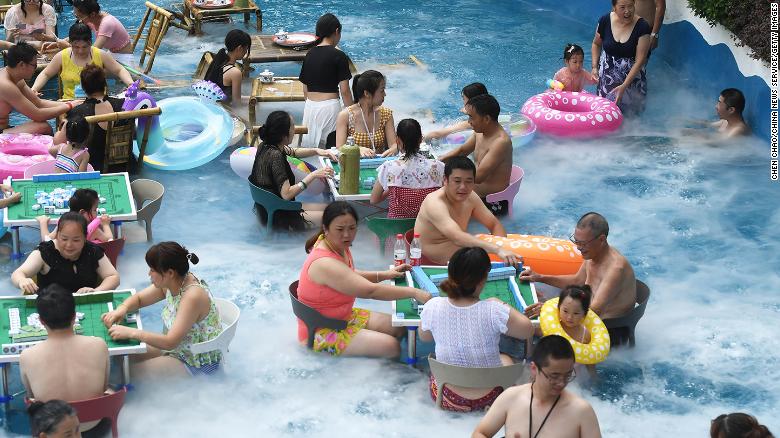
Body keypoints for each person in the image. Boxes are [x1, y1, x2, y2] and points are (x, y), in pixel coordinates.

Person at [297, 201, 431, 358]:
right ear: (326, 229)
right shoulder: (325, 263)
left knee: (399, 328)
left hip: (342, 316)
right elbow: (370, 291)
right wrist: (414, 292)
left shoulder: (335, 243)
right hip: (320, 330)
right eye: (340, 229)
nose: (347, 234)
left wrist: (384, 275)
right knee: (391, 347)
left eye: (352, 228)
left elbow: (348, 275)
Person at [419, 247, 534, 412]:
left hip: (446, 397)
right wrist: (500, 304)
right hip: (491, 400)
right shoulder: (494, 310)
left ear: (450, 275)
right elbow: (528, 330)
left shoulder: (432, 306)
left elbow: (424, 337)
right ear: (483, 279)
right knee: (505, 358)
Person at [103, 242, 223, 377]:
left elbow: (170, 342)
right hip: (177, 348)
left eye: (152, 270)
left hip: (195, 361)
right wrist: (122, 309)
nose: (149, 274)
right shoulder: (175, 281)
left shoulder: (192, 296)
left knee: (126, 375)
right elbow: (139, 299)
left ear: (170, 273)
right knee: (119, 359)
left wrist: (131, 332)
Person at [521, 212, 637, 337]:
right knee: (536, 297)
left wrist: (551, 309)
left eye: (583, 243)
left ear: (601, 239)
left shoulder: (615, 269)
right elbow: (577, 281)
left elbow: (595, 310)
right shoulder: (593, 254)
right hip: (581, 312)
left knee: (528, 329)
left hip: (609, 328)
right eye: (576, 241)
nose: (578, 248)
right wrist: (540, 277)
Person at [471, 335, 602, 438]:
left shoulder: (581, 411)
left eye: (567, 375)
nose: (562, 383)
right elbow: (480, 433)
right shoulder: (511, 398)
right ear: (534, 369)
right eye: (554, 376)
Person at [20, 284, 110, 433]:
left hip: (56, 433)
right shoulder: (99, 345)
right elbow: (104, 387)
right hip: (95, 426)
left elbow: (31, 397)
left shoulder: (28, 356)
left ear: (41, 321)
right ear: (74, 316)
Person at [414, 156, 519, 265]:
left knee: (514, 254)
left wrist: (502, 247)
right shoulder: (435, 203)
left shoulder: (471, 197)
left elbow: (494, 224)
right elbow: (457, 237)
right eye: (457, 181)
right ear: (445, 180)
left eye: (469, 181)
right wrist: (497, 250)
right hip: (431, 261)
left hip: (460, 249)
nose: (463, 187)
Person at [248, 111, 336, 231]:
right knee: (335, 216)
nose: (295, 130)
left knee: (330, 209)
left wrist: (316, 150)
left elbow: (293, 152)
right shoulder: (276, 157)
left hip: (266, 211)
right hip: (281, 218)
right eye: (292, 126)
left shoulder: (265, 146)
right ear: (284, 135)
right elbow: (287, 194)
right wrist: (313, 175)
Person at [11, 212, 120, 294]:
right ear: (57, 235)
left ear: (85, 238)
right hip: (50, 310)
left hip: (86, 305)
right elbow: (17, 274)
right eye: (64, 239)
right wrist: (22, 280)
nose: (69, 245)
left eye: (76, 240)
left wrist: (96, 291)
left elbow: (113, 277)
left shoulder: (92, 251)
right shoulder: (45, 252)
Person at [437, 94, 512, 207]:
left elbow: (479, 177)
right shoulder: (480, 132)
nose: (469, 122)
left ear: (486, 119)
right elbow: (462, 151)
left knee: (436, 200)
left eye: (472, 117)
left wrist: (445, 175)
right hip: (472, 193)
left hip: (492, 202)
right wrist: (438, 161)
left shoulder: (500, 142)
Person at [52, 64, 128, 171]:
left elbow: (59, 142)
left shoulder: (78, 112)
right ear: (105, 84)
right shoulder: (123, 105)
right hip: (122, 165)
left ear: (83, 87)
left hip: (90, 164)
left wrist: (63, 123)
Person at [32, 22, 133, 101]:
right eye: (76, 47)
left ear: (90, 43)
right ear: (70, 43)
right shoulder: (61, 57)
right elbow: (46, 74)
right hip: (71, 103)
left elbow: (119, 70)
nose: (80, 51)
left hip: (98, 103)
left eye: (85, 47)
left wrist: (130, 84)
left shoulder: (100, 55)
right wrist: (34, 89)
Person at [299, 13, 354, 148]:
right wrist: (352, 114)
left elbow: (305, 88)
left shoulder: (309, 54)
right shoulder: (339, 55)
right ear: (336, 31)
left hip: (310, 107)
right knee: (332, 148)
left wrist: (312, 105)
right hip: (329, 107)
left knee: (312, 149)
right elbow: (345, 91)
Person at [370, 118, 444, 218]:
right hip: (427, 227)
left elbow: (374, 200)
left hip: (396, 228)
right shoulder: (438, 166)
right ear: (420, 140)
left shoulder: (389, 167)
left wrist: (391, 189)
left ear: (397, 141)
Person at [591, 0, 651, 114]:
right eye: (622, 7)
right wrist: (594, 67)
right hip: (607, 79)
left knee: (630, 116)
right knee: (604, 114)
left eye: (630, 6)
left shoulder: (642, 27)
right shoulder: (605, 20)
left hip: (632, 80)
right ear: (614, 7)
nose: (627, 11)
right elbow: (596, 44)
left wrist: (624, 86)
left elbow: (640, 61)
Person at [0, 42, 72, 134]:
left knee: (43, 124)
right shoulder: (5, 85)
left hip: (5, 128)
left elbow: (39, 103)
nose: (36, 69)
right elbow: (37, 115)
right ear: (22, 64)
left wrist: (71, 103)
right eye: (34, 65)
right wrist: (69, 106)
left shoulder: (16, 78)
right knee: (42, 127)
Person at [335, 70, 397, 157]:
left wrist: (395, 148)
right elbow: (340, 147)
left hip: (379, 163)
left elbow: (393, 144)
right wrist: (358, 149)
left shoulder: (386, 114)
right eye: (382, 90)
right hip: (354, 164)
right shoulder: (346, 116)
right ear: (367, 93)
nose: (385, 94)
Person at [38, 188, 113, 243]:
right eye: (94, 210)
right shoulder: (94, 231)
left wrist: (43, 223)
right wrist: (105, 225)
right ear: (82, 212)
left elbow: (47, 240)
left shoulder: (63, 224)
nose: (96, 213)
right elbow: (109, 240)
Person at [204, 29, 250, 106]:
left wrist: (254, 99)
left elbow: (233, 98)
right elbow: (236, 104)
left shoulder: (219, 62)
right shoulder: (235, 72)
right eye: (246, 49)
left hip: (212, 108)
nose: (246, 52)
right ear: (239, 48)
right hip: (222, 112)